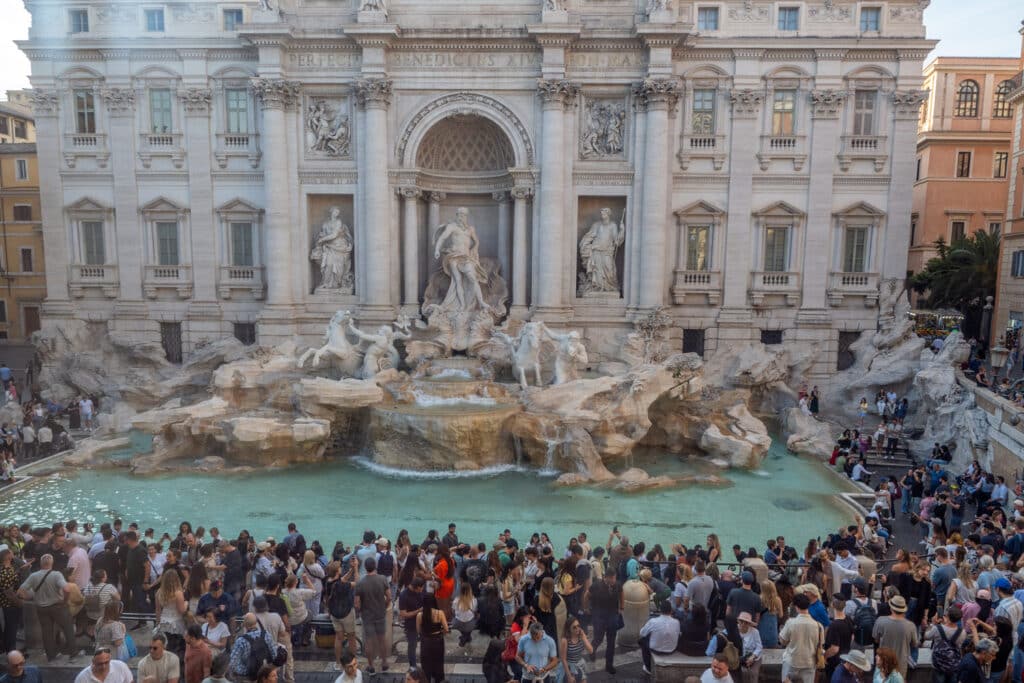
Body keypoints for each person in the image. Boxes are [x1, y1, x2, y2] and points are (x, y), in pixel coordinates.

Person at [17, 553, 76, 661]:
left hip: (41, 608)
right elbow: (67, 589)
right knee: (68, 628)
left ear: (41, 563)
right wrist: (64, 600)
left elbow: (20, 592)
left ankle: (51, 655)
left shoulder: (33, 576)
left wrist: (30, 598)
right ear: (52, 563)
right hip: (58, 606)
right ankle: (73, 653)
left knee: (47, 632)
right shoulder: (56, 574)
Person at [354, 556, 391, 673]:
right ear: (375, 566)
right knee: (382, 639)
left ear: (365, 568)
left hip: (367, 615)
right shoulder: (383, 579)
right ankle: (384, 663)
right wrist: (384, 606)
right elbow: (389, 597)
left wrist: (361, 611)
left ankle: (371, 666)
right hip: (380, 613)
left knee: (368, 641)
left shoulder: (360, 582)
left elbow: (357, 604)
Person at [779, 593, 824, 683]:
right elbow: (820, 644)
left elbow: (782, 641)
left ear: (796, 606)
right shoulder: (819, 626)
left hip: (792, 661)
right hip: (810, 663)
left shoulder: (790, 623)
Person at [870, 596, 917, 679]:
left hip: (883, 663)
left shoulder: (880, 621)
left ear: (891, 608)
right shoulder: (911, 626)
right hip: (901, 665)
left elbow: (876, 640)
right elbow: (914, 644)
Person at [588, 568, 621, 674]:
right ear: (605, 577)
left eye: (614, 578)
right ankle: (592, 650)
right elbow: (586, 596)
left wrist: (622, 608)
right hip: (599, 616)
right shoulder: (596, 586)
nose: (612, 580)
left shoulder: (617, 585)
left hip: (612, 616)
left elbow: (622, 593)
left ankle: (609, 665)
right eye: (610, 578)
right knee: (599, 638)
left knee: (611, 642)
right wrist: (586, 608)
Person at [229, 613, 277, 683]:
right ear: (256, 622)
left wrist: (246, 671)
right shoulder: (266, 635)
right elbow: (274, 655)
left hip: (248, 676)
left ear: (244, 625)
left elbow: (233, 664)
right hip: (265, 675)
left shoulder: (241, 641)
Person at [639, 600, 680, 676]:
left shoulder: (653, 621)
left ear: (660, 610)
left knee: (642, 640)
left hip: (656, 649)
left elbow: (642, 633)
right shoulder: (676, 622)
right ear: (671, 611)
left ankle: (648, 667)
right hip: (671, 649)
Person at [416, 594, 448, 683]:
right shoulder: (439, 613)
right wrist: (441, 633)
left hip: (426, 642)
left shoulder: (420, 615)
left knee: (426, 665)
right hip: (438, 641)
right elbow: (446, 629)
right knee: (439, 664)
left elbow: (418, 630)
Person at [557, 616, 592, 683]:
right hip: (569, 666)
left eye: (578, 626)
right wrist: (569, 676)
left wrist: (583, 638)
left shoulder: (581, 635)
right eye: (574, 627)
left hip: (580, 664)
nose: (577, 629)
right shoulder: (565, 640)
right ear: (569, 629)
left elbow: (591, 651)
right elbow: (563, 659)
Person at [736, 612, 762, 683]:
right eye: (741, 621)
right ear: (738, 621)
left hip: (754, 657)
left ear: (749, 624)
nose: (743, 624)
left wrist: (752, 657)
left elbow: (759, 647)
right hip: (739, 657)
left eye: (746, 622)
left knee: (753, 673)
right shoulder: (734, 630)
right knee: (738, 673)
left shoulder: (755, 632)